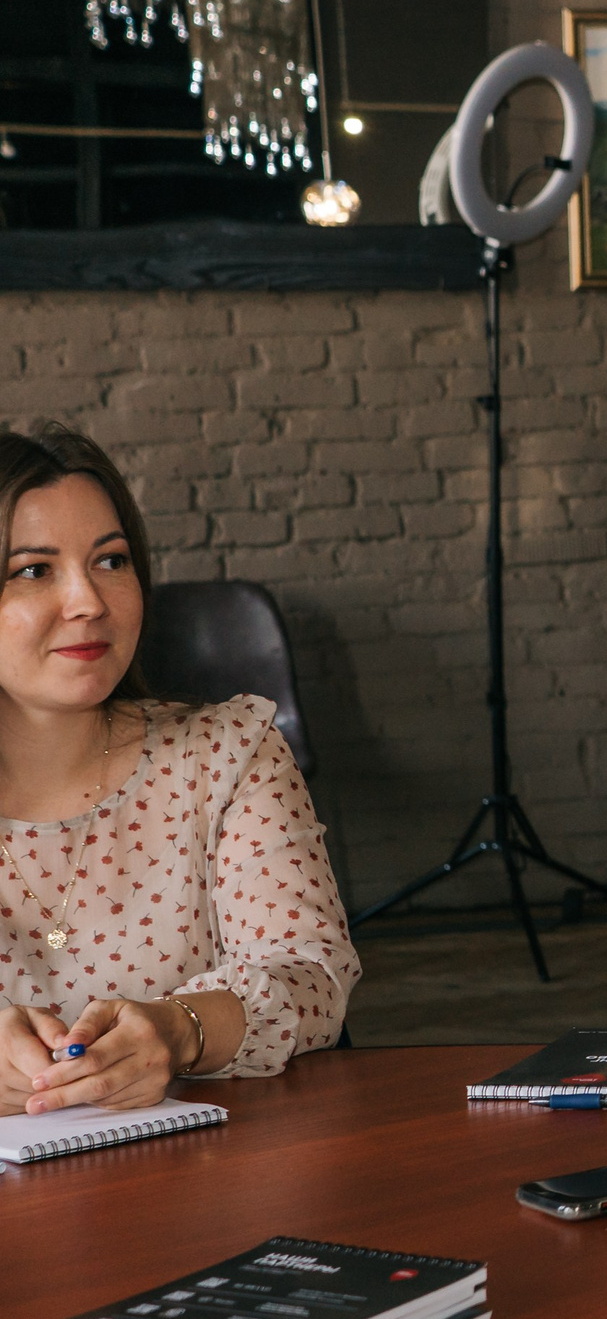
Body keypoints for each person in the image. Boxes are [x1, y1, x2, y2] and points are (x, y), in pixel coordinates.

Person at [0, 423, 356, 1113]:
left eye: (111, 560)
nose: (90, 602)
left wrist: (180, 1030)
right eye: (34, 570)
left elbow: (312, 978)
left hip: (202, 1183)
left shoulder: (226, 753)